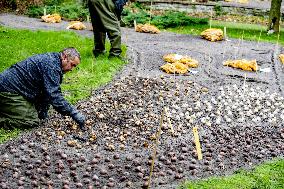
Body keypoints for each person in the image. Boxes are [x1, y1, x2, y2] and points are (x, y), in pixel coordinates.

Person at [0, 47, 86, 130]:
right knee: (31, 121)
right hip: (7, 91)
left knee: (35, 113)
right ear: (64, 57)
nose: (71, 69)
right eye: (72, 65)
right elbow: (54, 95)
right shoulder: (51, 66)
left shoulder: (53, 61)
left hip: (17, 89)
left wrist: (42, 111)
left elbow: (46, 91)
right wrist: (74, 113)